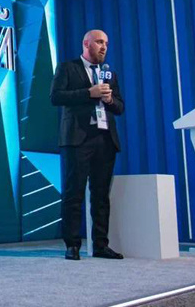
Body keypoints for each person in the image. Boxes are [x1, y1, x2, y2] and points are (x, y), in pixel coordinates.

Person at [50, 29, 125, 261]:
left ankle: (101, 245)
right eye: (99, 42)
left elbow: (120, 107)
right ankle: (72, 245)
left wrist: (109, 99)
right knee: (74, 194)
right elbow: (56, 97)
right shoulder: (67, 68)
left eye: (106, 43)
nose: (104, 47)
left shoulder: (109, 73)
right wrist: (88, 93)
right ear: (86, 43)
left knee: (101, 196)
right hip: (77, 139)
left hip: (105, 139)